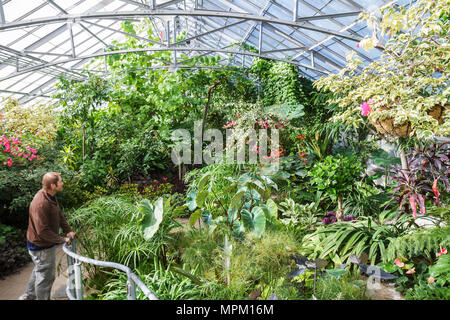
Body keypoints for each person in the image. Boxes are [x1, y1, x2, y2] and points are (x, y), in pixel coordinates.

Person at [19, 172, 75, 300]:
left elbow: (58, 213)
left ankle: (28, 296)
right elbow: (42, 231)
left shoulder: (51, 196)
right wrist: (62, 240)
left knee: (39, 270)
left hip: (43, 243)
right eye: (60, 181)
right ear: (52, 185)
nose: (62, 183)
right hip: (40, 246)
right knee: (46, 276)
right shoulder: (41, 203)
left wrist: (68, 230)